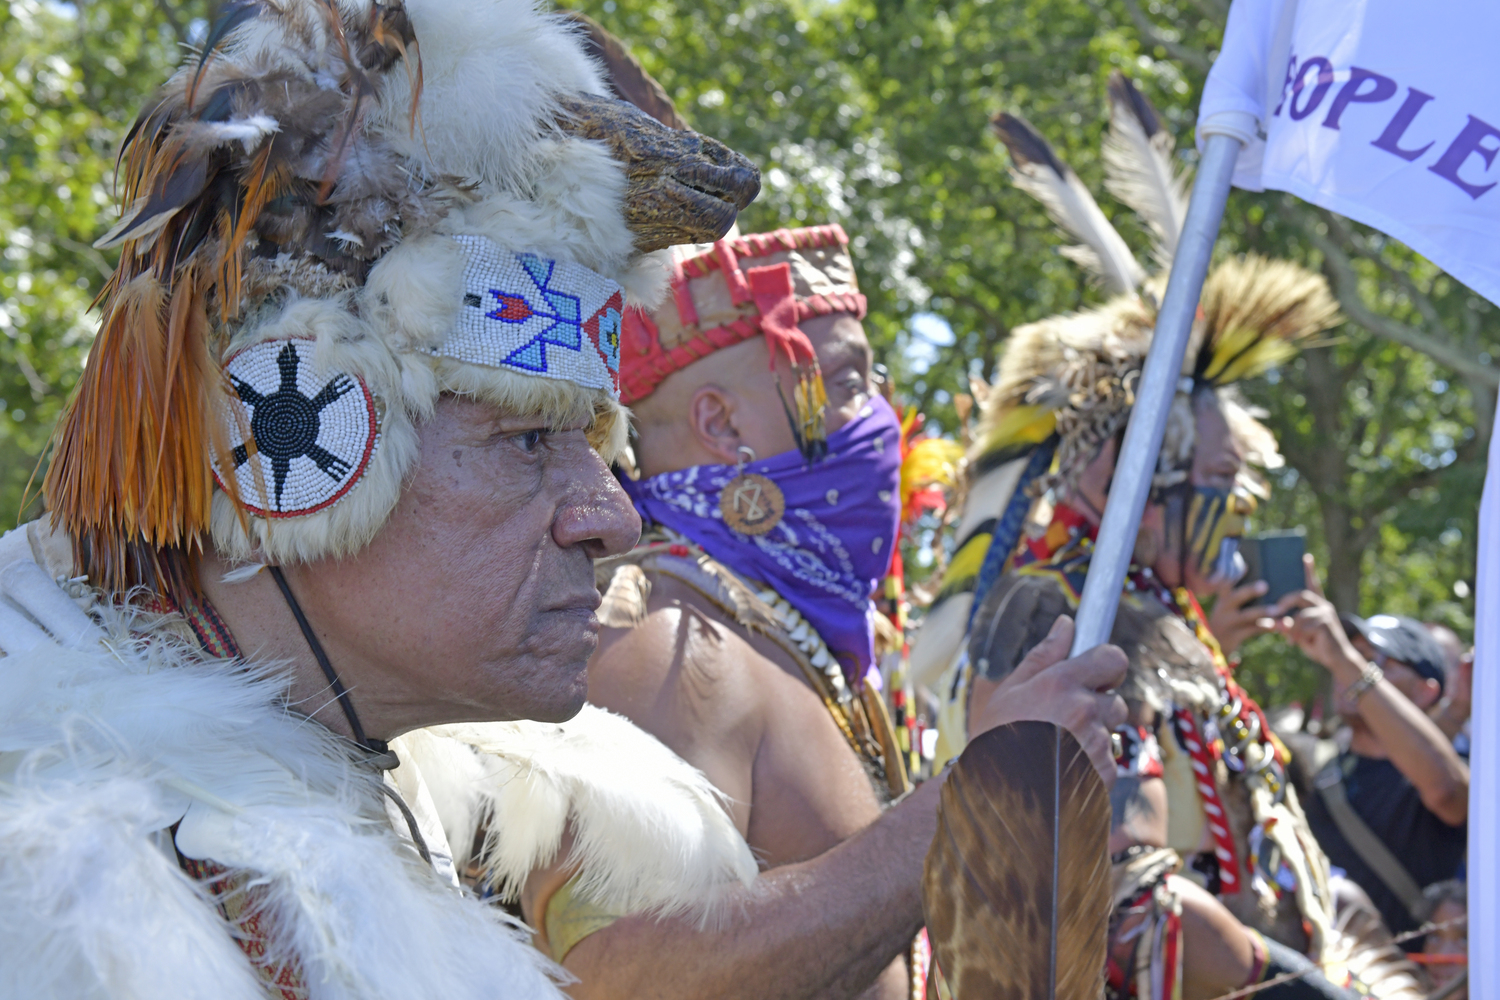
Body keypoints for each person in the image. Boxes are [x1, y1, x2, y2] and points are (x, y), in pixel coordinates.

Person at [0, 0, 776, 993]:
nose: (612, 514)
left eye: (593, 444)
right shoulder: (54, 869)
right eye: (528, 437)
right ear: (294, 446)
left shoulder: (333, 782)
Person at [909, 73, 1424, 1000]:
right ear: (1140, 481)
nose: (1235, 512)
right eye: (1219, 485)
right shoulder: (1066, 615)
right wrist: (1300, 983)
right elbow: (1128, 907)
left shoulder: (1140, 610)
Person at [517, 223, 1131, 1000]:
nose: (882, 418)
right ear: (724, 425)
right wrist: (979, 793)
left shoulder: (802, 642)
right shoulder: (664, 642)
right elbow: (614, 980)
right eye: (847, 382)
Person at [1276, 599, 1470, 941]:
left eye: (1377, 662)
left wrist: (1345, 661)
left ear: (1427, 691)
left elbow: (1447, 790)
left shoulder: (1437, 774)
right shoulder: (1317, 768)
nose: (1349, 668)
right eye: (1353, 654)